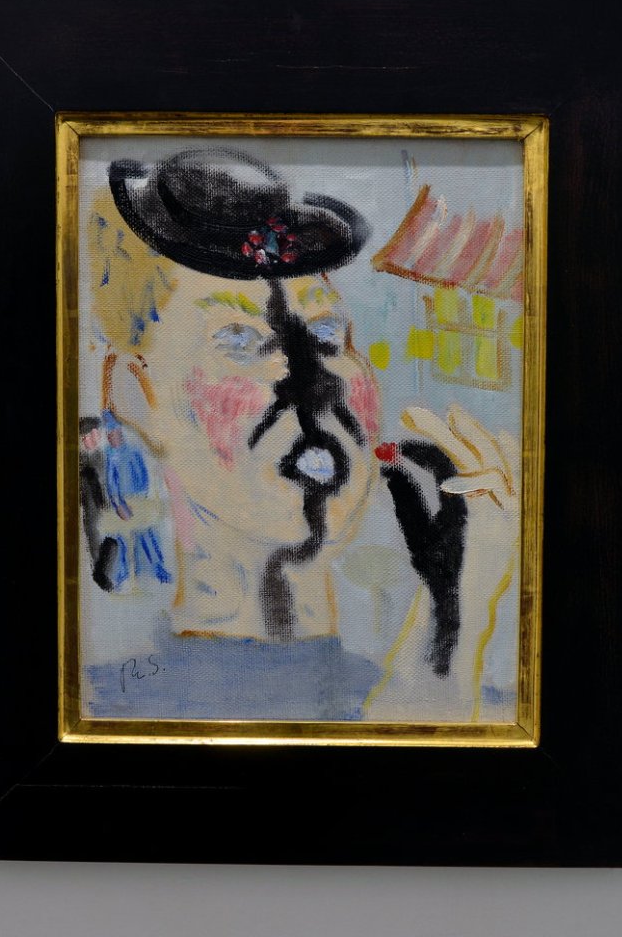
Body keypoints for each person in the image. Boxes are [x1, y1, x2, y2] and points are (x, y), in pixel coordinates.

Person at [80, 147, 520, 722]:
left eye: (328, 333)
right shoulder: (106, 712)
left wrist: (452, 611)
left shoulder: (491, 713)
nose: (316, 381)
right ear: (137, 395)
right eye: (240, 340)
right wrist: (443, 659)